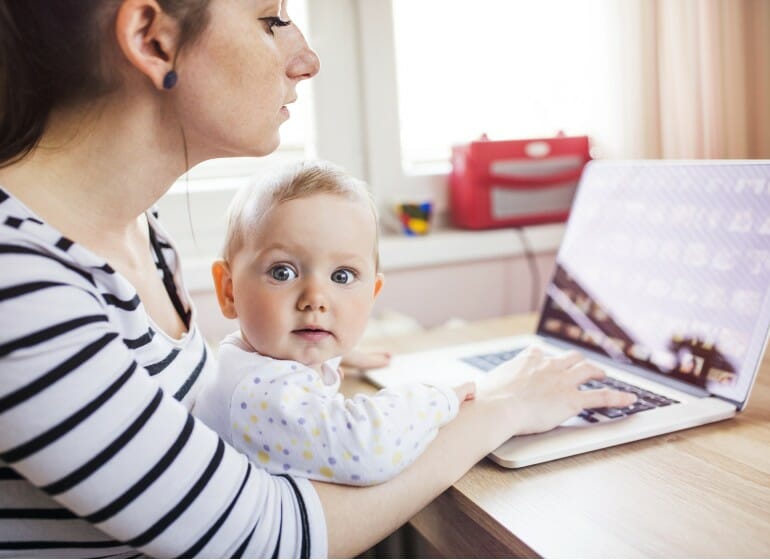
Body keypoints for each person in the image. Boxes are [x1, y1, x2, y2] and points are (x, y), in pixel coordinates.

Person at [0, 1, 637, 557]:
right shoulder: (19, 284)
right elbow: (262, 539)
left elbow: (173, 419)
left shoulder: (139, 229)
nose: (306, 58)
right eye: (271, 20)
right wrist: (500, 405)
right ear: (152, 38)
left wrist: (309, 348)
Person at [193, 161, 476, 485]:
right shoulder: (260, 394)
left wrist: (336, 354)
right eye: (282, 272)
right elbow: (367, 449)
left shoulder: (251, 360)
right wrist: (437, 398)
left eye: (342, 276)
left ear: (372, 293)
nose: (315, 298)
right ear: (229, 291)